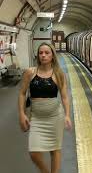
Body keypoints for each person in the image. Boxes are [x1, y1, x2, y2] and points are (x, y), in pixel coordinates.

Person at [18, 42, 72, 173]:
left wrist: (67, 115)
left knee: (55, 150)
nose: (43, 55)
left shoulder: (58, 74)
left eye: (47, 53)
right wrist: (22, 113)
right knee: (34, 153)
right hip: (37, 118)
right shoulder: (30, 73)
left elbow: (64, 97)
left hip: (55, 117)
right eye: (40, 53)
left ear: (52, 55)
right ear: (37, 56)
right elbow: (22, 93)